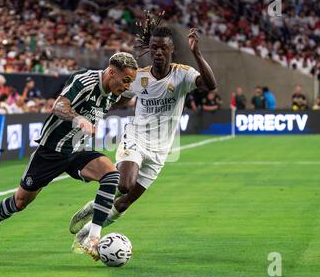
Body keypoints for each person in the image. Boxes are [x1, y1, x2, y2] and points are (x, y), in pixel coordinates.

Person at [69, 19, 217, 251]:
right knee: (125, 185)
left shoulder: (183, 74)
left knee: (125, 203)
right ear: (150, 49)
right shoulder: (139, 77)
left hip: (161, 150)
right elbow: (116, 93)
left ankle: (90, 222)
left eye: (163, 48)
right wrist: (92, 112)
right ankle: (95, 227)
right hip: (136, 139)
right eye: (154, 47)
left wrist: (197, 53)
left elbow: (210, 85)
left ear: (171, 50)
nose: (158, 52)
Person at [0, 52, 138, 260]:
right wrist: (79, 119)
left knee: (111, 176)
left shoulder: (114, 92)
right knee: (21, 201)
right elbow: (58, 106)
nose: (127, 86)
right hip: (51, 151)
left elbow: (128, 96)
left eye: (131, 82)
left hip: (77, 151)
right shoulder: (85, 80)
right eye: (126, 80)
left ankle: (93, 237)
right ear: (111, 72)